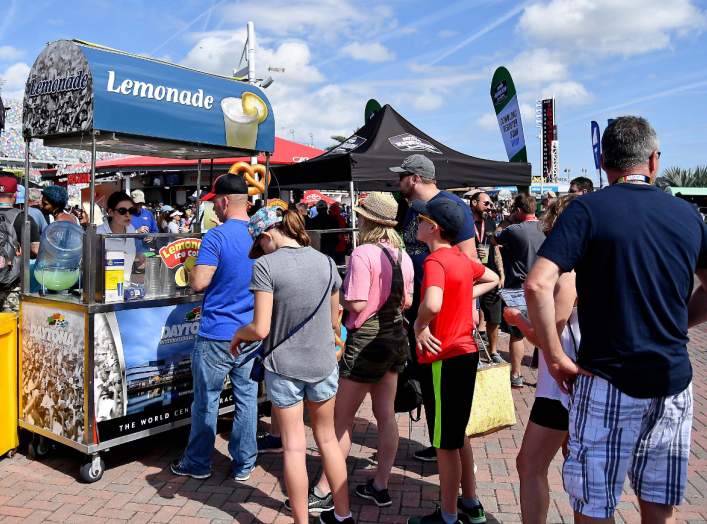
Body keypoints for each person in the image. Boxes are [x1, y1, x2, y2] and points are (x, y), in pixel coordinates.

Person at [525, 116, 707, 523]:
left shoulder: (588, 209)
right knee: (659, 505)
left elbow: (537, 285)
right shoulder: (688, 215)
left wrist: (553, 357)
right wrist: (679, 324)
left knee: (593, 504)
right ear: (654, 161)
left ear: (604, 163)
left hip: (604, 379)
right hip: (671, 383)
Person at [231, 206, 352, 524]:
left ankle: (301, 521)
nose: (260, 251)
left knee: (295, 448)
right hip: (323, 363)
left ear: (268, 235)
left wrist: (237, 336)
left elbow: (260, 328)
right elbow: (334, 319)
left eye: (260, 244)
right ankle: (343, 514)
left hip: (283, 365)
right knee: (328, 441)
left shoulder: (266, 267)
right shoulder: (325, 261)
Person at [310, 192, 414, 512]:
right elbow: (407, 302)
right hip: (395, 335)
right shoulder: (403, 256)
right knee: (386, 416)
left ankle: (326, 489)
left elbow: (355, 302)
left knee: (341, 419)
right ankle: (380, 485)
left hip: (367, 338)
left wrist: (338, 301)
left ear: (368, 219)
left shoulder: (363, 253)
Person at [410, 197, 498, 524]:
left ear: (433, 227)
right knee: (457, 434)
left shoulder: (435, 261)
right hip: (464, 354)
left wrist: (419, 324)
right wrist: (461, 297)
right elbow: (492, 278)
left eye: (420, 220)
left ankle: (448, 515)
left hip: (443, 358)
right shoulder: (461, 258)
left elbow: (432, 304)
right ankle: (471, 503)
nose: (416, 224)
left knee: (445, 444)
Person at [170, 174, 258, 482]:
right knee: (246, 396)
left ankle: (197, 462)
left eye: (214, 204)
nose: (214, 211)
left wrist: (191, 267)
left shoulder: (216, 237)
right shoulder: (261, 235)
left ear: (223, 201)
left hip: (217, 332)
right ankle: (245, 462)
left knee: (206, 400)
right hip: (251, 330)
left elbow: (200, 282)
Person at [392, 153, 478, 463]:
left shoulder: (450, 208)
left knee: (442, 387)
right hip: (420, 310)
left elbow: (471, 262)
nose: (397, 181)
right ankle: (440, 441)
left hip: (440, 315)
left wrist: (471, 304)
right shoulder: (412, 210)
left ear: (414, 178)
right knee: (429, 385)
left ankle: (448, 451)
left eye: (401, 176)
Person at [503, 194, 579, 524]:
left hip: (560, 385)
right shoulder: (582, 269)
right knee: (574, 463)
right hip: (566, 382)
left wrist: (519, 321)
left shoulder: (567, 275)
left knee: (529, 464)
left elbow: (551, 339)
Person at [495, 193, 545, 387]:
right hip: (542, 286)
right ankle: (543, 375)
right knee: (543, 330)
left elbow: (495, 238)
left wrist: (506, 220)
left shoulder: (514, 229)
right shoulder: (545, 228)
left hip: (518, 288)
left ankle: (516, 375)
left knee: (517, 334)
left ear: (518, 210)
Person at [469, 191, 505, 363]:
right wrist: (473, 253)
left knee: (494, 317)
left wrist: (501, 273)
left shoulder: (490, 222)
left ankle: (493, 351)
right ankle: (471, 351)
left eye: (491, 204)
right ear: (474, 203)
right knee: (470, 317)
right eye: (486, 203)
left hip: (490, 275)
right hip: (471, 276)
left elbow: (496, 248)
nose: (490, 207)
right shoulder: (465, 224)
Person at [0, 174, 40, 311]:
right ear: (15, 195)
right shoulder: (24, 218)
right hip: (14, 285)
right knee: (10, 327)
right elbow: (35, 250)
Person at [96, 192, 139, 283]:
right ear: (110, 212)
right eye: (122, 211)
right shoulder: (98, 233)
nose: (128, 215)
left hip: (125, 289)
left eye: (131, 211)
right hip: (103, 289)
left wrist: (141, 257)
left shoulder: (131, 230)